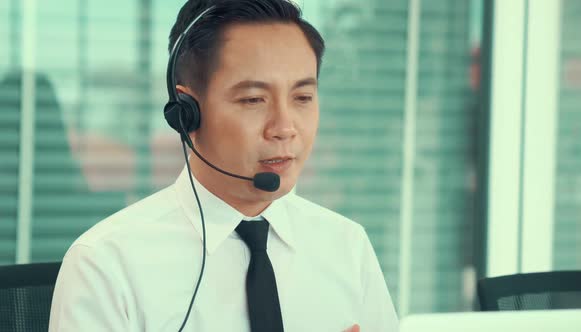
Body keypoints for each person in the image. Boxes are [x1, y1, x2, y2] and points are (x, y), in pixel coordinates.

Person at [48, 0, 399, 331]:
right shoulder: (106, 264)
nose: (284, 128)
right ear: (187, 113)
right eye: (253, 100)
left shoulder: (347, 246)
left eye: (303, 98)